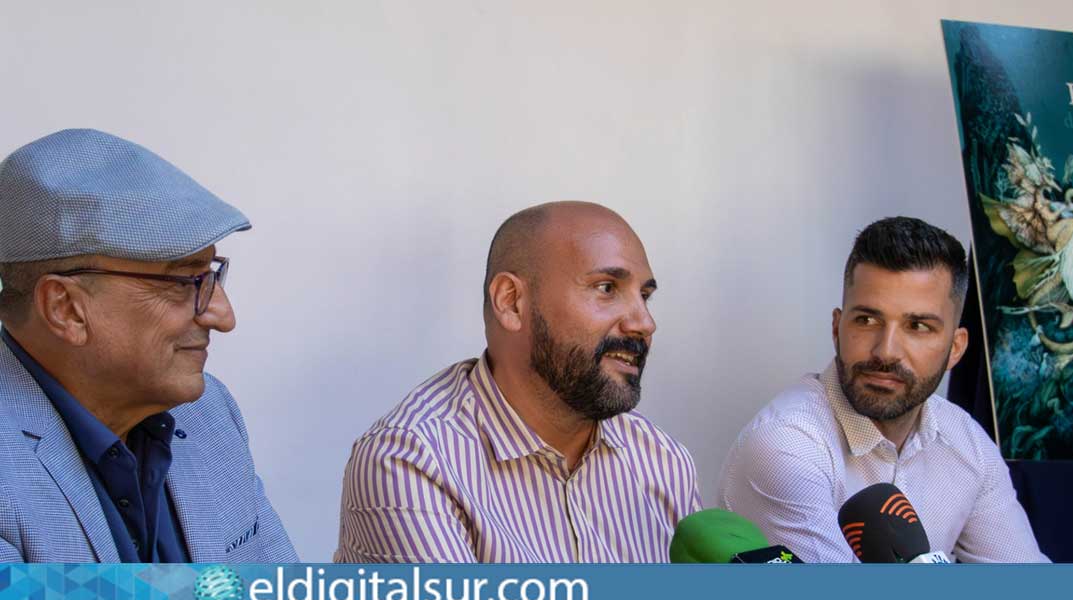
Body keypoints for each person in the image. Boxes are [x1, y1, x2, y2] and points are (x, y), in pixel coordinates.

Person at [335, 201, 700, 562]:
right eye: (606, 288)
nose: (644, 323)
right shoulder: (410, 462)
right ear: (511, 303)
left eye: (645, 295)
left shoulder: (661, 459)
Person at [0, 129, 296, 562]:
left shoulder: (211, 414)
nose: (223, 315)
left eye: (212, 276)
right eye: (183, 282)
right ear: (65, 308)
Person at [718, 216, 1046, 562]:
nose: (886, 351)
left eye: (918, 326)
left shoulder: (966, 442)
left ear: (956, 348)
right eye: (867, 320)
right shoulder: (785, 445)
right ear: (836, 328)